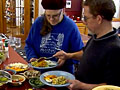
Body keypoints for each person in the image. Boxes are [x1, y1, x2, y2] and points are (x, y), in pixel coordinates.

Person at [53, 0, 120, 89]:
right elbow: (86, 54)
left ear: (99, 19)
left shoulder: (115, 49)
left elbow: (111, 86)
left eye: (86, 18)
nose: (84, 22)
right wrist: (68, 56)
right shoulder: (96, 36)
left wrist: (81, 86)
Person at [24, 0, 84, 74]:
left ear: (62, 11)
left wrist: (67, 57)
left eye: (55, 16)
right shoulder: (38, 23)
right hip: (39, 72)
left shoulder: (71, 26)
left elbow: (80, 53)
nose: (51, 19)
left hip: (63, 73)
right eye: (48, 15)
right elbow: (29, 44)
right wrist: (32, 57)